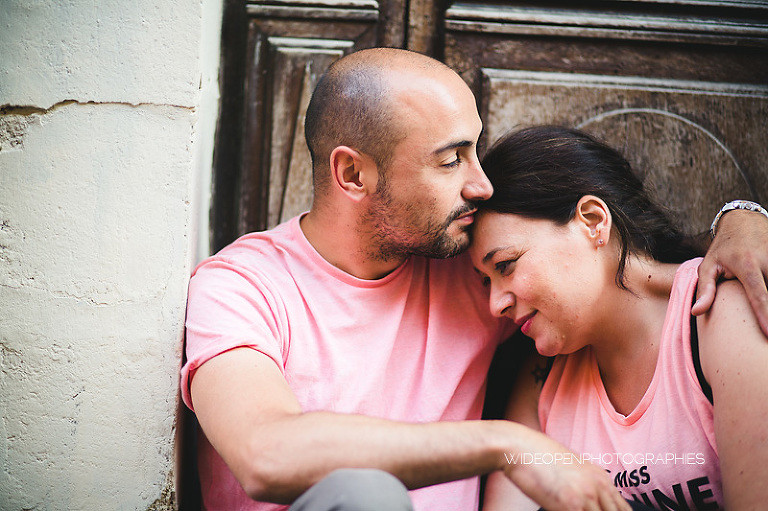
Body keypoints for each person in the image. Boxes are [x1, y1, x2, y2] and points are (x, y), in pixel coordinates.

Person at [181, 47, 768, 511]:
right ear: (353, 173)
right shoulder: (240, 287)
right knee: (365, 496)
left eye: (475, 151)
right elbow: (265, 455)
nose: (480, 184)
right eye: (450, 159)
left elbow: (600, 258)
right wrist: (506, 446)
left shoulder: (469, 267)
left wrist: (742, 219)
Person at [472, 126, 768, 511]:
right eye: (486, 281)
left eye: (505, 265)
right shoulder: (543, 378)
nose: (495, 305)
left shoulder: (718, 314)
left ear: (593, 221)